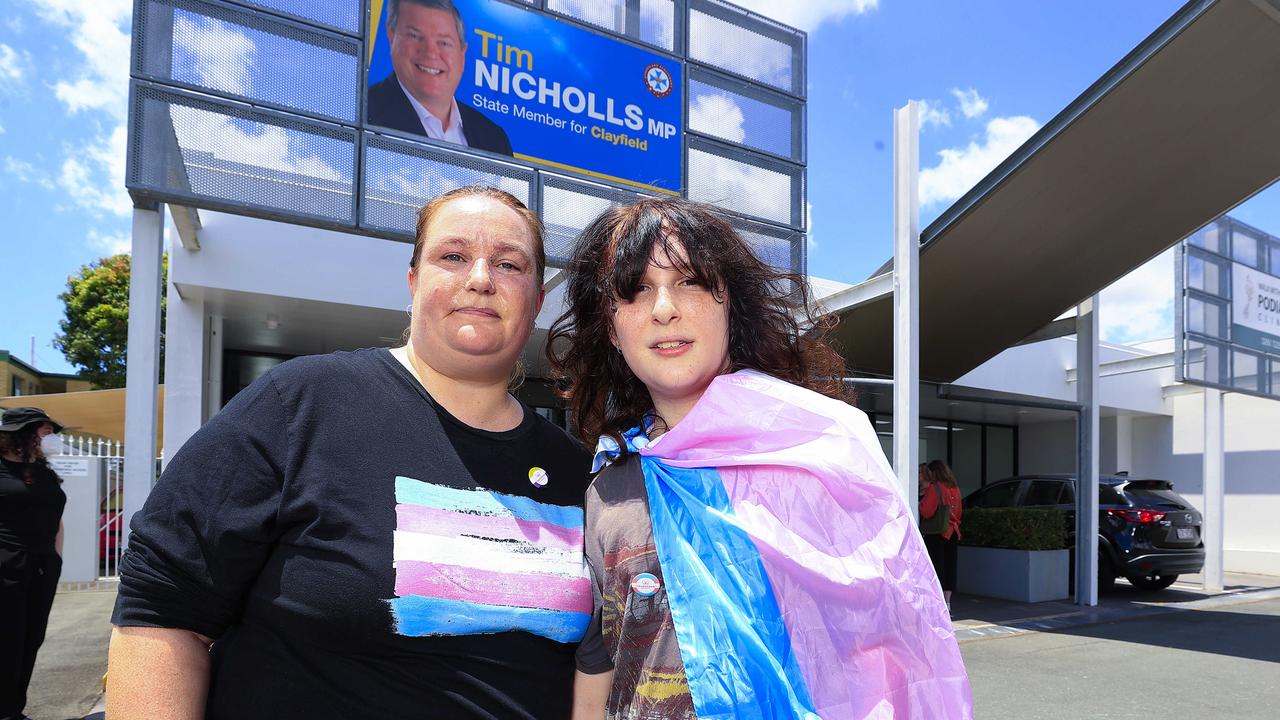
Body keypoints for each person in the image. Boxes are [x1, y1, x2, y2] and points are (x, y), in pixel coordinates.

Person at [107, 186, 606, 719]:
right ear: (414, 281)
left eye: (509, 264)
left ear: (535, 299)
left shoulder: (576, 469)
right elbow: (162, 603)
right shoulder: (301, 403)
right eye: (453, 256)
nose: (480, 278)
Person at [550, 198, 972, 719]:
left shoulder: (819, 448)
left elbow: (900, 644)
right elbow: (602, 655)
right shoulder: (605, 486)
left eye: (690, 282)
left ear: (732, 307)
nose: (664, 309)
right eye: (636, 292)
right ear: (613, 330)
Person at [368, 0, 513, 156]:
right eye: (415, 36)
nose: (430, 52)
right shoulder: (363, 108)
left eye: (444, 42)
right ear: (391, 38)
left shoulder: (494, 139)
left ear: (462, 55)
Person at [0, 407, 67, 720]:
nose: (50, 437)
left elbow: (56, 518)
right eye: (45, 430)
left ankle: (13, 708)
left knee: (31, 637)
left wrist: (56, 557)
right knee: (7, 638)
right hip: (6, 564)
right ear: (25, 433)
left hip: (43, 565)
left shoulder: (43, 471)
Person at [920, 459, 964, 612]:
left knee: (937, 567)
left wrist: (919, 503)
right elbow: (958, 513)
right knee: (950, 566)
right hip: (952, 532)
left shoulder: (935, 488)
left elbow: (927, 511)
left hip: (936, 533)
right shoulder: (955, 489)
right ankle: (948, 603)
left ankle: (937, 604)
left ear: (934, 472)